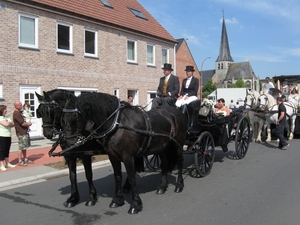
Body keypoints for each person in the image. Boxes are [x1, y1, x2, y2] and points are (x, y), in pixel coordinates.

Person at [13, 100, 33, 166]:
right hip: (21, 132)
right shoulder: (16, 113)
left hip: (25, 131)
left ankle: (25, 159)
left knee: (25, 146)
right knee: (21, 147)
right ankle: (20, 160)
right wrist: (29, 123)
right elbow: (23, 123)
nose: (21, 106)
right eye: (20, 105)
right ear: (16, 106)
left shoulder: (20, 112)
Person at [0, 105, 16, 171]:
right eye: (5, 109)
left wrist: (8, 123)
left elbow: (13, 124)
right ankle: (1, 165)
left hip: (8, 135)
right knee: (2, 150)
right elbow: (6, 124)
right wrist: (9, 123)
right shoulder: (0, 118)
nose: (6, 110)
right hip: (2, 136)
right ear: (1, 110)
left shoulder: (7, 117)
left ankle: (7, 163)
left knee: (7, 150)